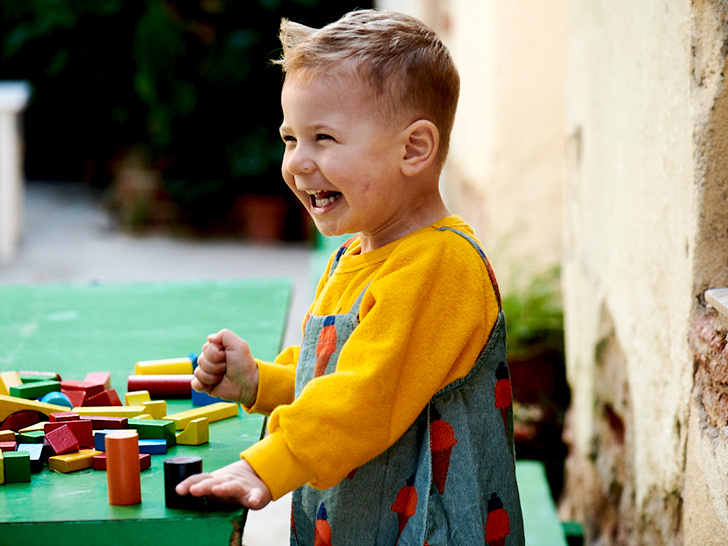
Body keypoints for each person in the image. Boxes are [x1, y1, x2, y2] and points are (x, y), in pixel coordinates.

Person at [176, 9, 524, 544]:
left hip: (431, 530)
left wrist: (269, 463)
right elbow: (334, 370)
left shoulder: (441, 265)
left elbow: (364, 395)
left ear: (414, 149)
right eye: (290, 139)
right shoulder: (355, 253)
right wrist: (261, 382)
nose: (297, 163)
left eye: (323, 138)